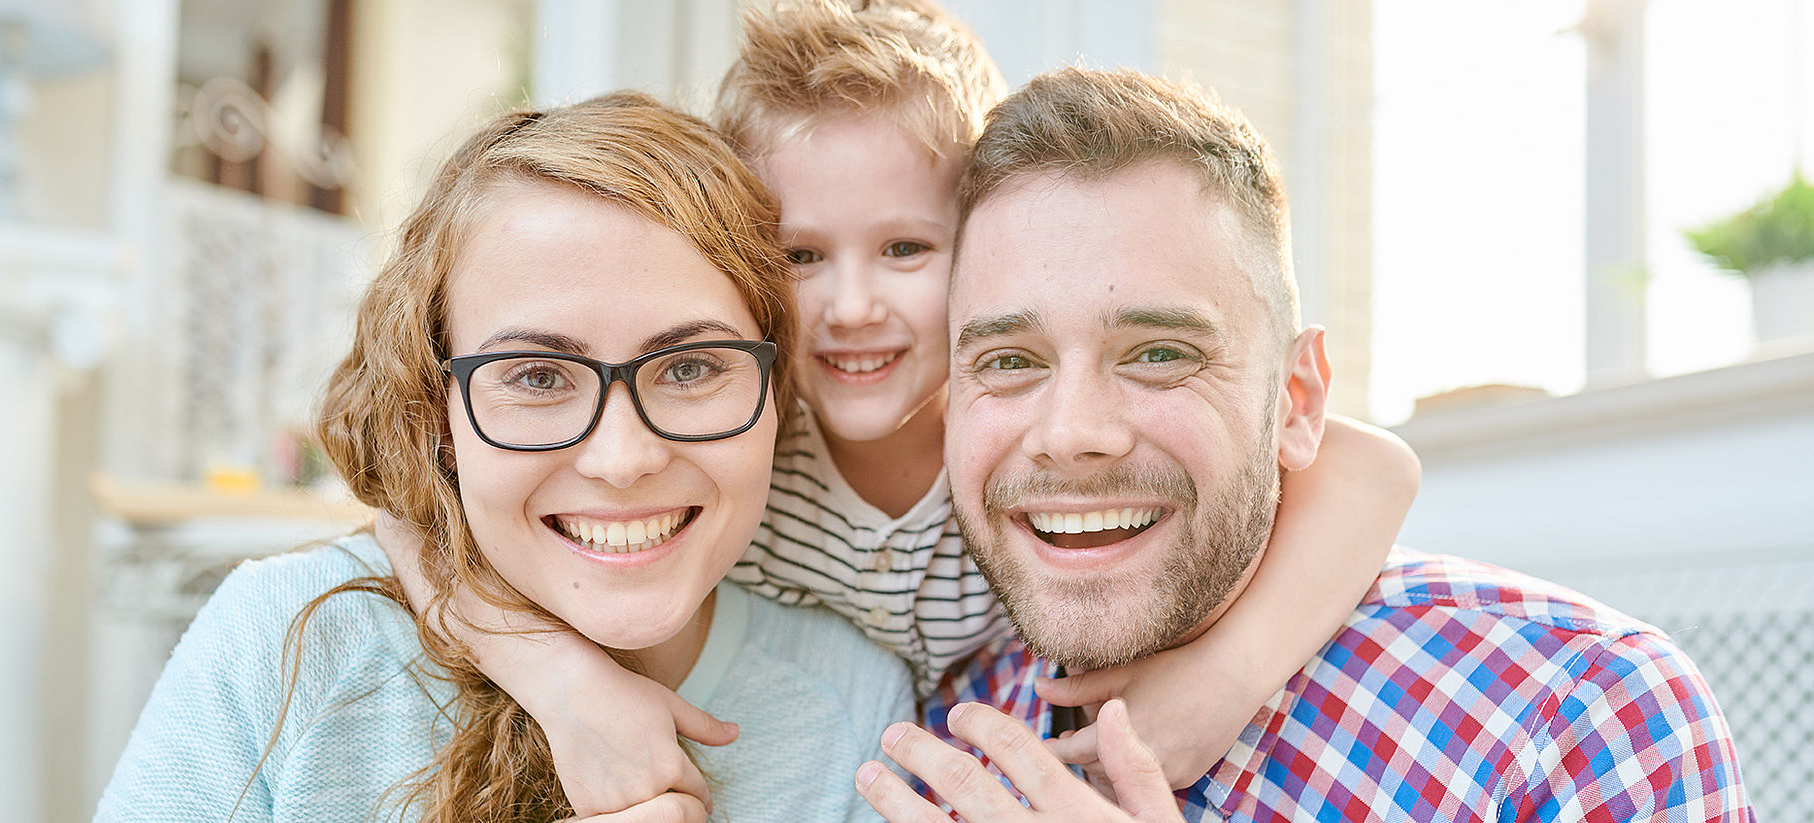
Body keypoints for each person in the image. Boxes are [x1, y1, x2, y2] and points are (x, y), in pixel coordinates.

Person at [380, 0, 1422, 816]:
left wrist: (1225, 679)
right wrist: (560, 681)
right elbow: (403, 501)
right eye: (798, 256)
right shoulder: (730, 448)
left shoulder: (1019, 464)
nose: (852, 307)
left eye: (906, 249)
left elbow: (1376, 469)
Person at [853, 66, 1753, 821]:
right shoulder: (941, 718)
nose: (1072, 432)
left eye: (1159, 353)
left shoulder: (1579, 717)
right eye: (1009, 360)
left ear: (1297, 397)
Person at [93, 93, 913, 823]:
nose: (622, 458)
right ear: (441, 415)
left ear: (776, 391)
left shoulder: (851, 701)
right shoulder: (283, 644)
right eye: (538, 375)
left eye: (690, 368)